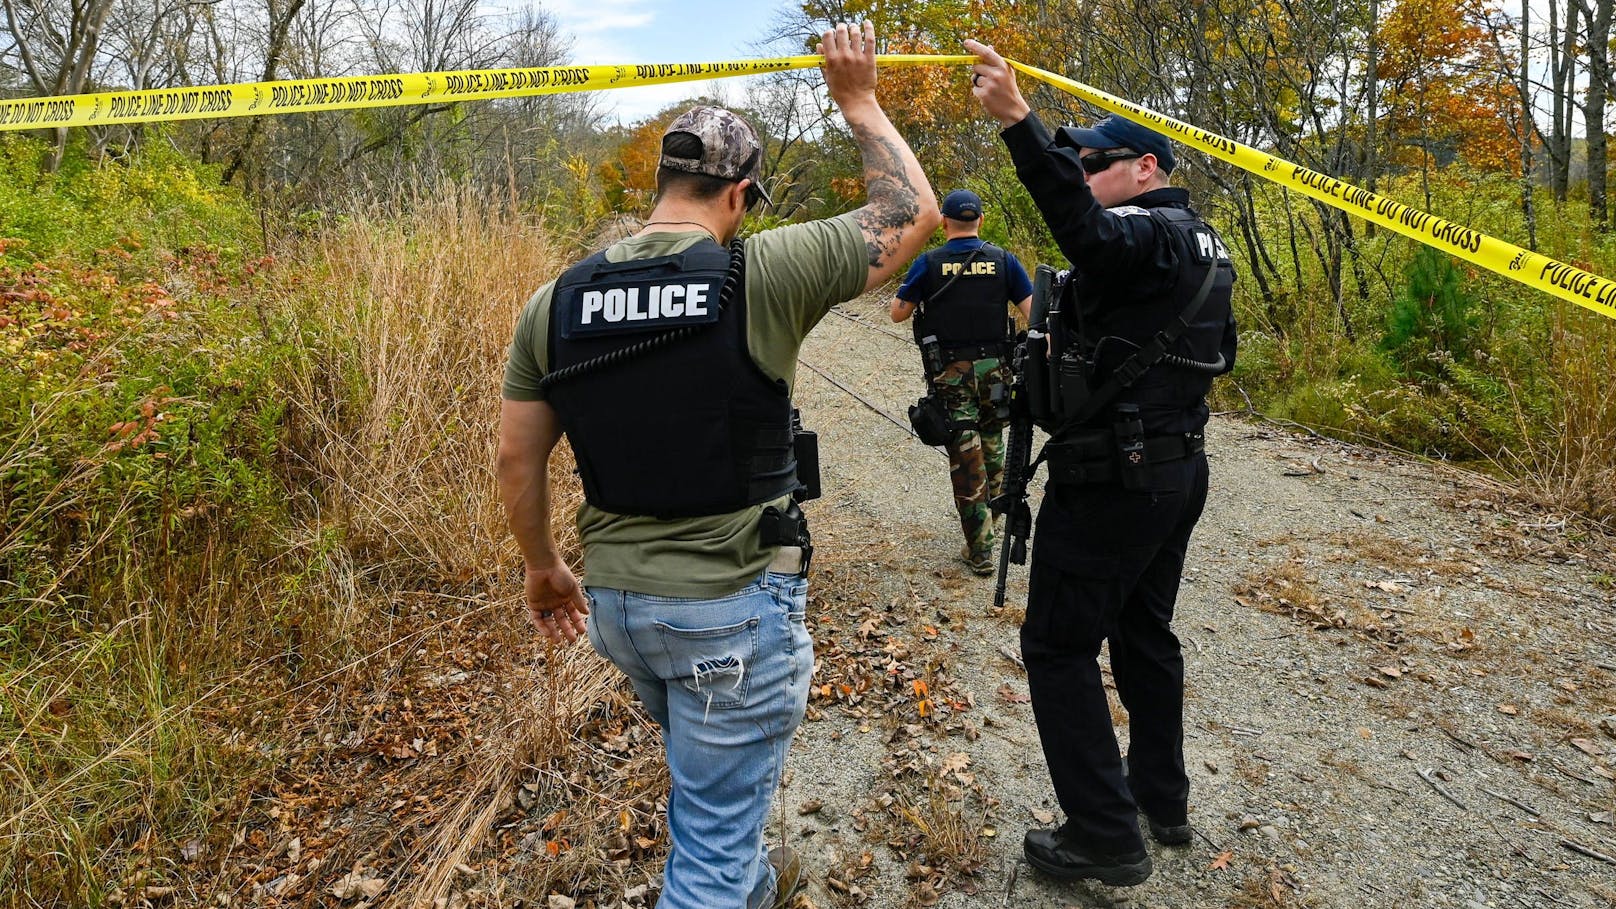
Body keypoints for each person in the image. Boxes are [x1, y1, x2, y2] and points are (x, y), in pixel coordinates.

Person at [496, 21, 939, 909]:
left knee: (711, 796)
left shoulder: (556, 300)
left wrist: (545, 567)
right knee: (706, 857)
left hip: (620, 609)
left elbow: (516, 456)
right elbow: (911, 214)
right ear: (738, 196)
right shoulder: (761, 271)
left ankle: (753, 877)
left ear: (663, 182)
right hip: (728, 608)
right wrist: (857, 98)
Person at [964, 39, 1238, 887]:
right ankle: (1164, 798)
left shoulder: (1145, 237)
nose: (1078, 171)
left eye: (1093, 161)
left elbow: (1082, 231)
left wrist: (1017, 122)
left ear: (1145, 168)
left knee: (1056, 646)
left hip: (1114, 479)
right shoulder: (1200, 241)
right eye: (1072, 160)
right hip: (1174, 470)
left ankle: (1104, 831)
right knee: (1145, 631)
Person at [890, 189, 1032, 575]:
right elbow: (1032, 312)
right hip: (997, 371)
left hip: (951, 374)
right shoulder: (1003, 260)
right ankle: (991, 521)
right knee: (992, 443)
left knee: (965, 453)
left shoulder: (929, 263)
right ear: (980, 221)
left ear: (944, 222)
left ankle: (981, 549)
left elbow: (897, 314)